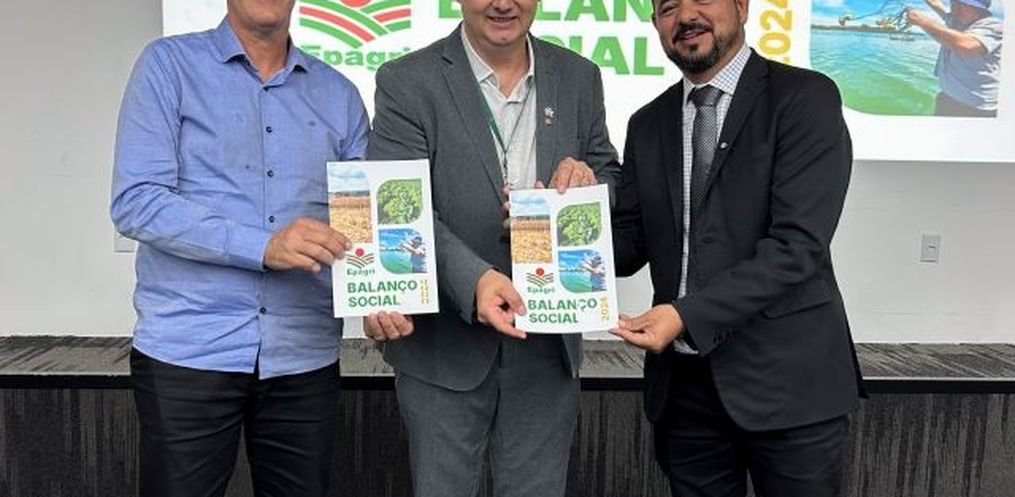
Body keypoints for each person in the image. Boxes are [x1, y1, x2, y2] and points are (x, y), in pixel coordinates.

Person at [110, 1, 369, 495]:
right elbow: (137, 201)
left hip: (303, 355)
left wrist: (384, 295)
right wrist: (263, 246)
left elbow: (365, 220)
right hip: (190, 350)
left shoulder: (339, 94)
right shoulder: (168, 66)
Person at [364, 1, 621, 495]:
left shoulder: (579, 77)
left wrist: (587, 183)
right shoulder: (407, 81)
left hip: (546, 346)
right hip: (444, 349)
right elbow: (398, 208)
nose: (503, 4)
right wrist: (475, 280)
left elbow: (610, 176)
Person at [610, 0, 865, 495]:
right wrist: (548, 226)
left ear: (743, 7)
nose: (686, 16)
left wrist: (684, 316)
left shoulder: (804, 98)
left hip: (791, 384)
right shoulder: (647, 123)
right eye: (668, 8)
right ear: (656, 24)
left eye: (703, 0)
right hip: (685, 389)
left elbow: (797, 246)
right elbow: (630, 242)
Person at [907, 0, 1003, 117]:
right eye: (953, 3)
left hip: (975, 107)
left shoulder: (993, 26)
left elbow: (965, 45)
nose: (954, 9)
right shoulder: (958, 20)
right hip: (948, 97)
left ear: (979, 9)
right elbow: (936, 4)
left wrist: (923, 22)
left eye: (962, 4)